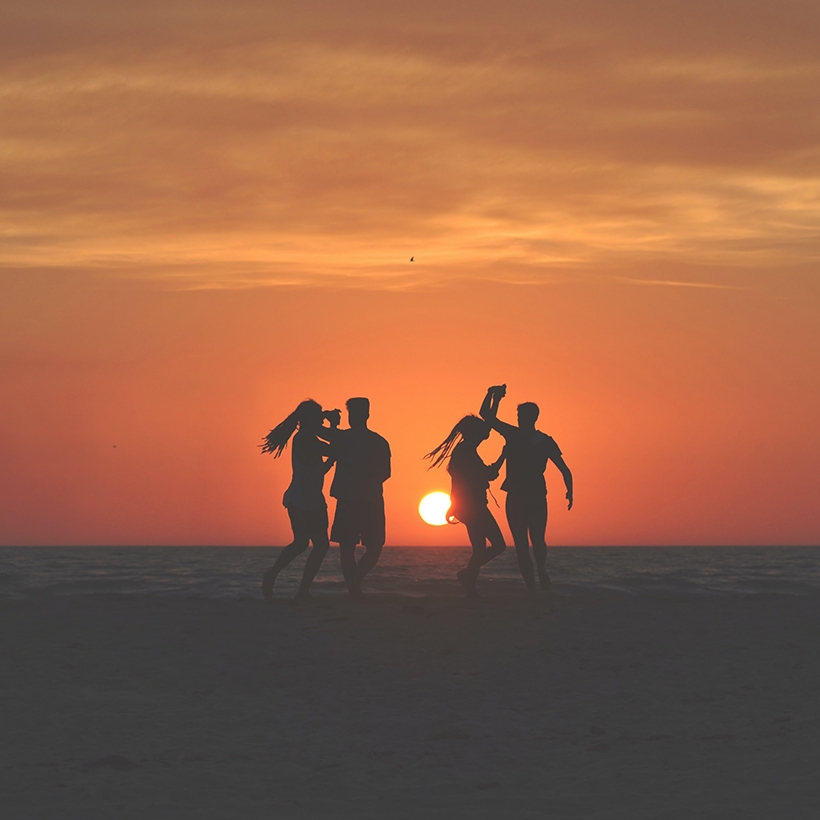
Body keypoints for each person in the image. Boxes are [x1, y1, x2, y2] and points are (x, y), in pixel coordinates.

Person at [480, 385, 573, 596]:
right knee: (524, 544)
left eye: (522, 415)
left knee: (534, 541)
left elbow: (564, 469)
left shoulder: (533, 439)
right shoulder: (522, 436)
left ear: (532, 417)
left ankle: (539, 573)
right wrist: (493, 396)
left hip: (531, 497)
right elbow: (487, 416)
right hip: (522, 496)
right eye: (519, 416)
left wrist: (570, 491)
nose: (520, 419)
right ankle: (533, 586)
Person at [260, 399, 337, 602]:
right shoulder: (305, 439)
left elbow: (318, 469)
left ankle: (275, 576)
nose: (320, 420)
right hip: (305, 500)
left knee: (302, 543)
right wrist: (333, 426)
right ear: (308, 418)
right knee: (318, 545)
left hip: (303, 498)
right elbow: (333, 449)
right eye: (318, 416)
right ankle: (300, 589)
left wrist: (330, 461)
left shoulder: (306, 438)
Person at [425, 415, 506, 598]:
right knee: (494, 545)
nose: (482, 436)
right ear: (472, 433)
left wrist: (494, 400)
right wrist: (503, 456)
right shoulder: (465, 453)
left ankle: (468, 579)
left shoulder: (467, 450)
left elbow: (487, 430)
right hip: (472, 506)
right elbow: (487, 474)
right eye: (478, 433)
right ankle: (468, 580)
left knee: (484, 547)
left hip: (471, 505)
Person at [324, 398, 391, 601]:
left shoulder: (346, 438)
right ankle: (354, 588)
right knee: (362, 546)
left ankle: (353, 585)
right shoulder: (378, 441)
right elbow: (386, 473)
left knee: (358, 546)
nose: (353, 417)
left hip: (356, 499)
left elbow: (386, 472)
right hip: (367, 499)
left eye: (354, 413)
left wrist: (330, 421)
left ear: (365, 414)